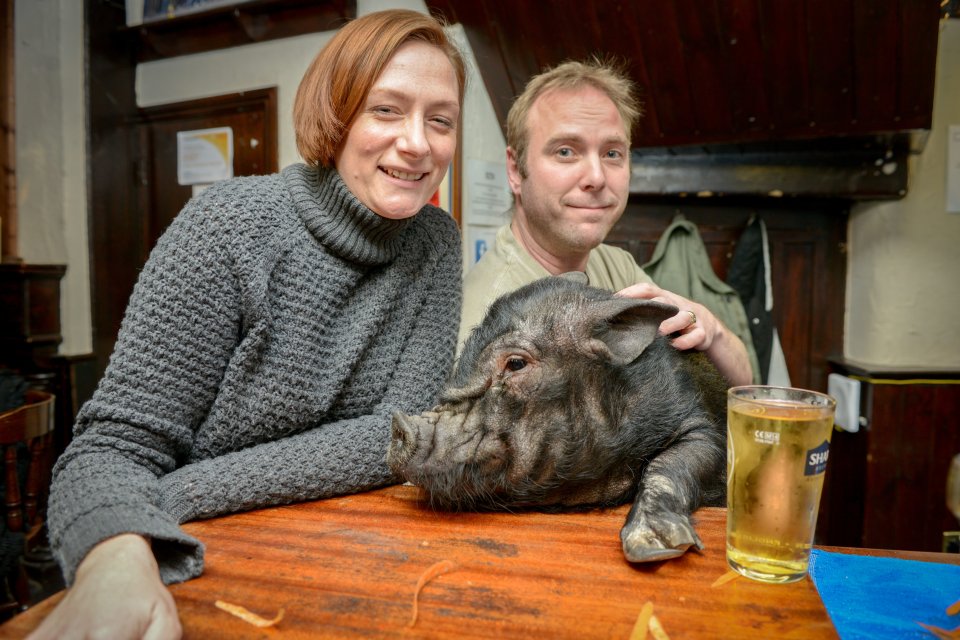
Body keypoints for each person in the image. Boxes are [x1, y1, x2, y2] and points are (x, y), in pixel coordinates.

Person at [31, 9, 465, 639]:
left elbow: (401, 436)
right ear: (337, 115)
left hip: (341, 562)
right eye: (387, 109)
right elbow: (110, 453)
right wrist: (115, 551)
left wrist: (179, 492)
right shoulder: (228, 228)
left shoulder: (435, 243)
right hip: (193, 560)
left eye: (441, 120)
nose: (418, 142)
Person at [459, 58, 753, 387]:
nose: (597, 178)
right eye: (566, 152)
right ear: (515, 170)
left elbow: (743, 384)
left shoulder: (617, 266)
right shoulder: (490, 316)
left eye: (612, 153)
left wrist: (710, 330)